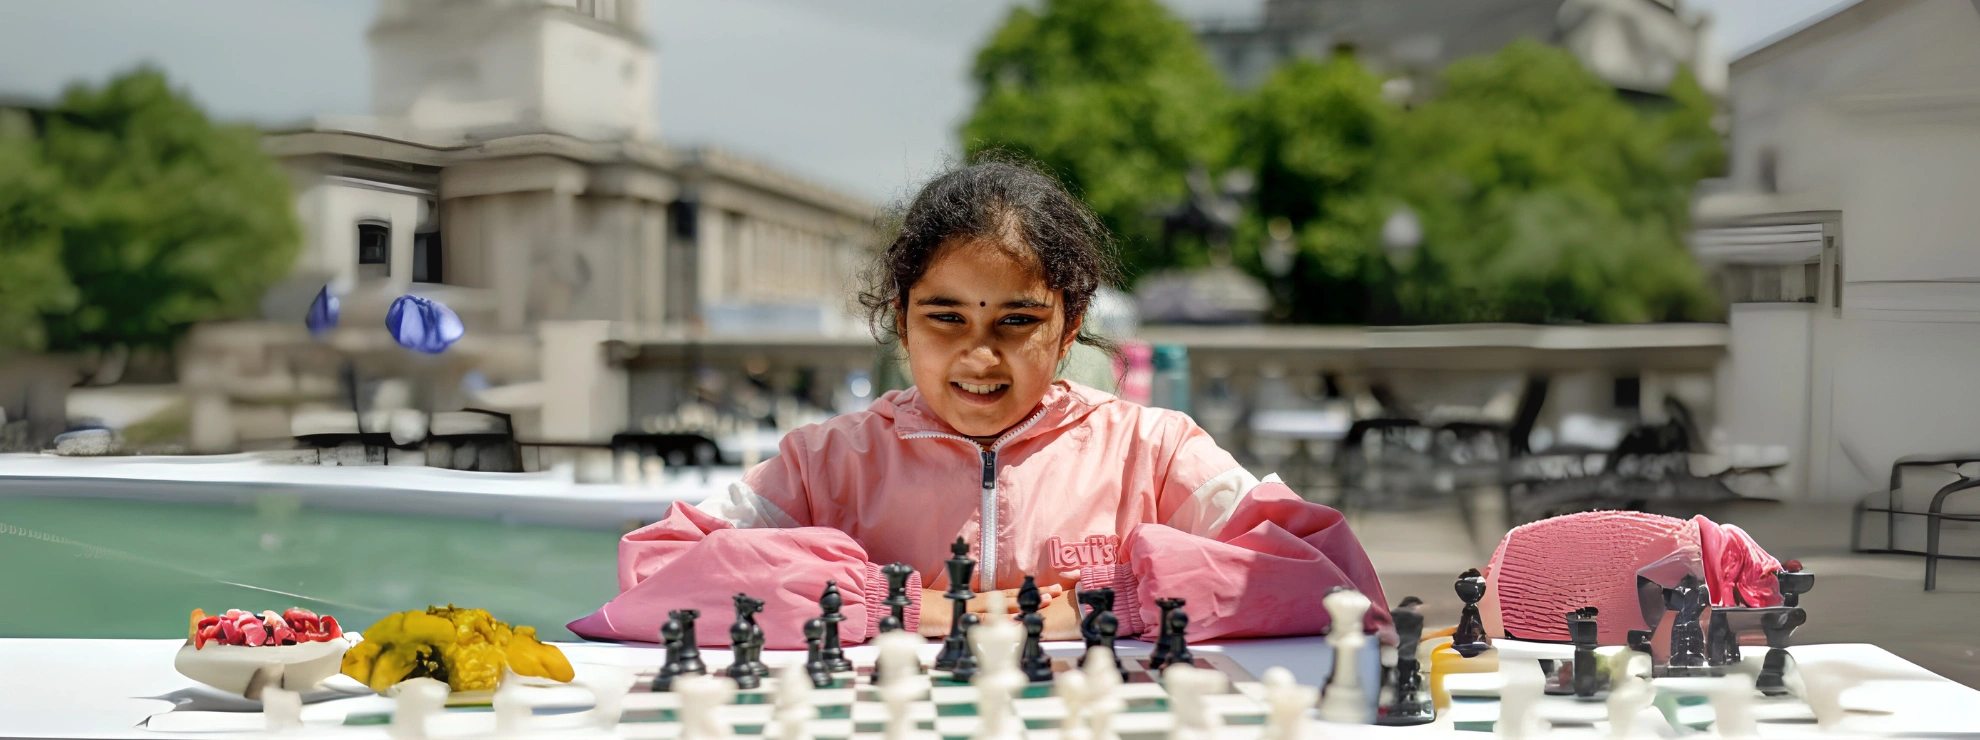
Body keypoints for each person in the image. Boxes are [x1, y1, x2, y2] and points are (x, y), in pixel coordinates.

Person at [568, 159, 1390, 649]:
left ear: (1070, 325)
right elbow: (655, 573)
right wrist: (890, 603)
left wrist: (1113, 601)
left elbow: (1330, 577)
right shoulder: (828, 461)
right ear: (901, 320)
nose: (979, 356)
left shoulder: (1155, 449)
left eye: (1017, 321)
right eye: (945, 318)